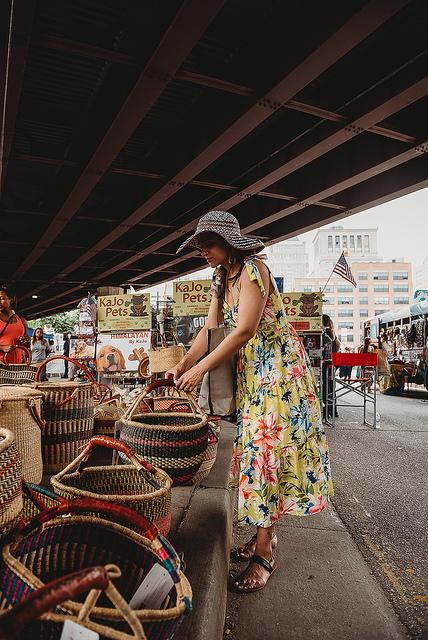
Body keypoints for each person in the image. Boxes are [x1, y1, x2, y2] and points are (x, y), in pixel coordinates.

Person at [167, 211, 333, 593]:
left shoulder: (255, 271)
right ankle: (266, 536)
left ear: (228, 243)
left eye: (208, 244)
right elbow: (211, 331)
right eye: (200, 247)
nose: (203, 252)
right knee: (258, 455)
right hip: (255, 376)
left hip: (279, 373)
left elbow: (243, 330)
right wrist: (183, 364)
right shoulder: (220, 277)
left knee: (265, 454)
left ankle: (264, 554)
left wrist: (200, 371)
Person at [0, 286, 29, 363]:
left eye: (2, 298)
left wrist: (27, 341)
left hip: (16, 368)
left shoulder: (22, 321)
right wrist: (2, 348)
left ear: (11, 300)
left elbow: (26, 345)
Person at [322, 314, 340, 419]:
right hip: (332, 364)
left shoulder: (324, 333)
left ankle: (326, 410)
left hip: (325, 364)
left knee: (325, 387)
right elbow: (338, 345)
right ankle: (333, 411)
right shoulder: (332, 334)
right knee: (331, 388)